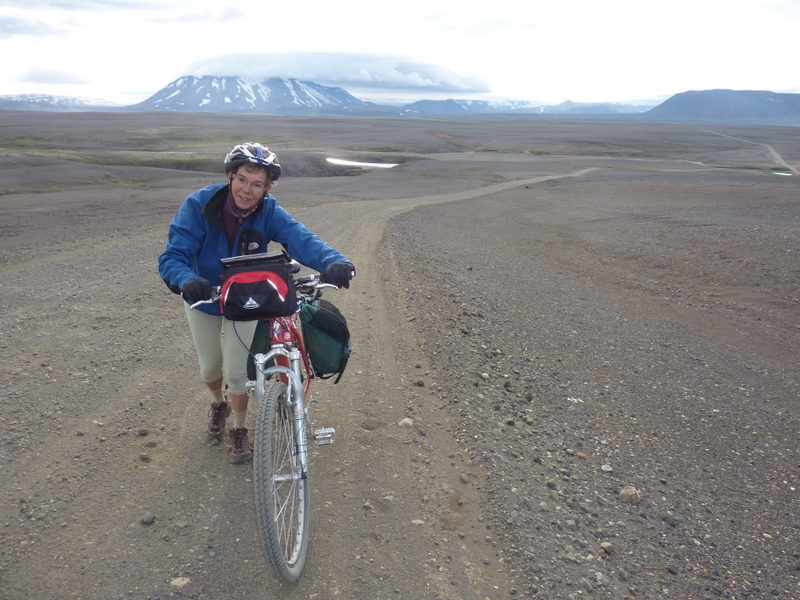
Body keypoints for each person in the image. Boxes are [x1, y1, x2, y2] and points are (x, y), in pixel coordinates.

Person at [158, 143, 354, 463]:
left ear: (267, 188)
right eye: (242, 179)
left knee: (237, 372)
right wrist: (186, 280)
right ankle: (217, 403)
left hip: (246, 297)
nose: (247, 190)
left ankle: (239, 427)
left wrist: (334, 261)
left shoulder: (269, 211)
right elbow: (173, 256)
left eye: (257, 184)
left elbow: (301, 238)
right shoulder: (199, 205)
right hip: (204, 297)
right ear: (230, 176)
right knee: (210, 366)